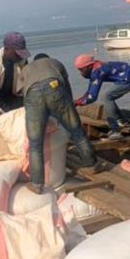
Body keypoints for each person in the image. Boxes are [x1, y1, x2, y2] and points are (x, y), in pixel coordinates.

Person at [21, 54, 105, 193]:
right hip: (55, 88)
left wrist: (38, 115)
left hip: (33, 95)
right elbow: (66, 87)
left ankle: (37, 184)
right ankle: (93, 165)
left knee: (35, 144)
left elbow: (23, 94)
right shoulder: (55, 62)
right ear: (47, 59)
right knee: (77, 131)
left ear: (35, 61)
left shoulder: (26, 69)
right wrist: (69, 107)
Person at [73, 54, 130, 140]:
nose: (81, 73)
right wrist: (78, 101)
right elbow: (90, 92)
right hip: (129, 75)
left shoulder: (98, 71)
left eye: (81, 69)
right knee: (108, 96)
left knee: (107, 96)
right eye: (79, 70)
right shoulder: (96, 68)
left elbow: (92, 97)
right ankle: (124, 120)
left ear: (89, 66)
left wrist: (77, 102)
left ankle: (115, 130)